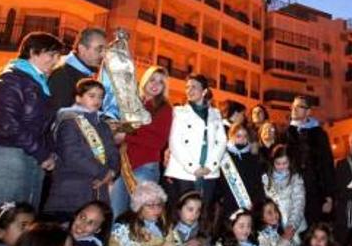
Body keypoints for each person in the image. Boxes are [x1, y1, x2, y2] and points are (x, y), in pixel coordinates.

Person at [0, 32, 62, 223]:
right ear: (33, 52)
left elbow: (41, 126)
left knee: (19, 224)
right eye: (51, 55)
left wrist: (47, 153)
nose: (55, 61)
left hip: (27, 156)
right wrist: (42, 154)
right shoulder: (11, 79)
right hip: (3, 156)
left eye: (57, 56)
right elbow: (8, 124)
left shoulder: (38, 83)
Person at [43, 79, 120, 222]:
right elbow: (72, 155)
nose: (97, 100)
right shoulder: (69, 121)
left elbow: (113, 152)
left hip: (99, 191)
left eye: (100, 97)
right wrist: (103, 172)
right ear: (78, 97)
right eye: (92, 95)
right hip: (71, 189)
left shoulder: (103, 125)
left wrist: (112, 171)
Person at [109, 66, 173, 217]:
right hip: (124, 166)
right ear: (145, 81)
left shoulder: (165, 108)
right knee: (115, 213)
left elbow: (158, 141)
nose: (155, 84)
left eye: (161, 82)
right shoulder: (134, 104)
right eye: (152, 79)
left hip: (145, 166)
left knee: (140, 216)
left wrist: (126, 136)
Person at [164, 74, 227, 209]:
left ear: (204, 91)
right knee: (182, 211)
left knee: (203, 211)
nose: (189, 90)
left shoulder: (215, 113)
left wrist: (210, 166)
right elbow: (175, 141)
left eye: (194, 87)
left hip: (209, 172)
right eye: (187, 87)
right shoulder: (179, 112)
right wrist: (193, 167)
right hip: (183, 171)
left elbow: (221, 141)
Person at [285, 95, 335, 226]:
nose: (294, 109)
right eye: (293, 106)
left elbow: (327, 165)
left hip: (315, 192)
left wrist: (329, 196)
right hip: (292, 192)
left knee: (314, 229)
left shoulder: (319, 134)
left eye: (299, 106)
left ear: (308, 111)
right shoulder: (286, 133)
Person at [47, 28, 106, 111]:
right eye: (99, 49)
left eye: (105, 50)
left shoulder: (92, 73)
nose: (103, 55)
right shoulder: (62, 76)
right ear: (82, 49)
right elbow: (61, 116)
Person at [217, 123, 266, 218]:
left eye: (245, 136)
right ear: (231, 136)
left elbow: (257, 180)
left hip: (249, 201)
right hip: (229, 200)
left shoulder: (252, 156)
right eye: (238, 136)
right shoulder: (224, 156)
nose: (242, 139)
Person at [262, 145, 306, 246]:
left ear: (290, 162)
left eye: (285, 163)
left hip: (295, 227)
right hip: (274, 227)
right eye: (278, 163)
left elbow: (299, 203)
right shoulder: (266, 179)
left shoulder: (296, 178)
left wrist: (292, 225)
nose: (281, 166)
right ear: (273, 162)